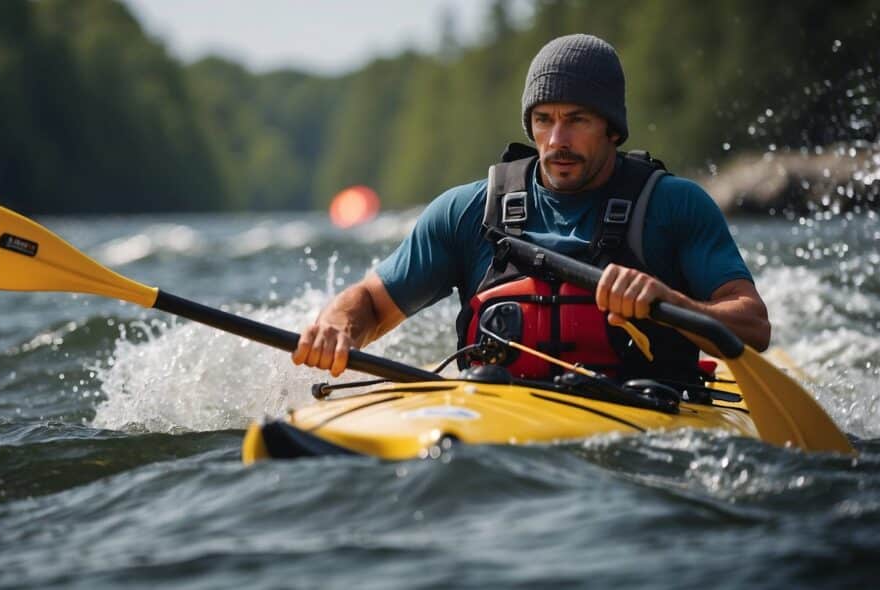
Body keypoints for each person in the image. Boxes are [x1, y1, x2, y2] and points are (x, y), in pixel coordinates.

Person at [293, 33, 770, 379]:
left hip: (645, 419)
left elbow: (753, 326)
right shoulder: (467, 211)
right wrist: (339, 325)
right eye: (544, 120)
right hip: (499, 427)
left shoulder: (674, 205)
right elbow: (373, 303)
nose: (557, 140)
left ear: (613, 129)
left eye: (577, 119)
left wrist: (671, 303)